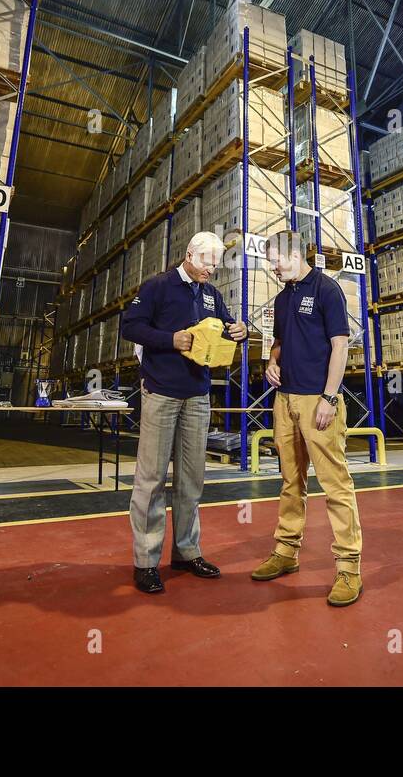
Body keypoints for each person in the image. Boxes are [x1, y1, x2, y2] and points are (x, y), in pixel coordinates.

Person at [121, 230, 248, 594]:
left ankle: (186, 551)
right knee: (152, 479)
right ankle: (145, 561)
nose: (213, 268)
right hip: (161, 391)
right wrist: (170, 340)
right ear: (190, 255)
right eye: (208, 261)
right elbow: (130, 326)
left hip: (198, 395)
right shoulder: (158, 286)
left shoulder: (212, 295)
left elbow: (223, 329)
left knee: (191, 480)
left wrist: (237, 331)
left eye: (216, 262)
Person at [252, 230, 364, 606]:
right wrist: (271, 360)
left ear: (295, 254)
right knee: (290, 481)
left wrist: (330, 397)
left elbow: (339, 345)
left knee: (335, 485)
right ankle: (286, 552)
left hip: (318, 399)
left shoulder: (327, 289)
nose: (272, 267)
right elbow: (280, 341)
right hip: (284, 402)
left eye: (276, 260)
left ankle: (349, 568)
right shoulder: (283, 299)